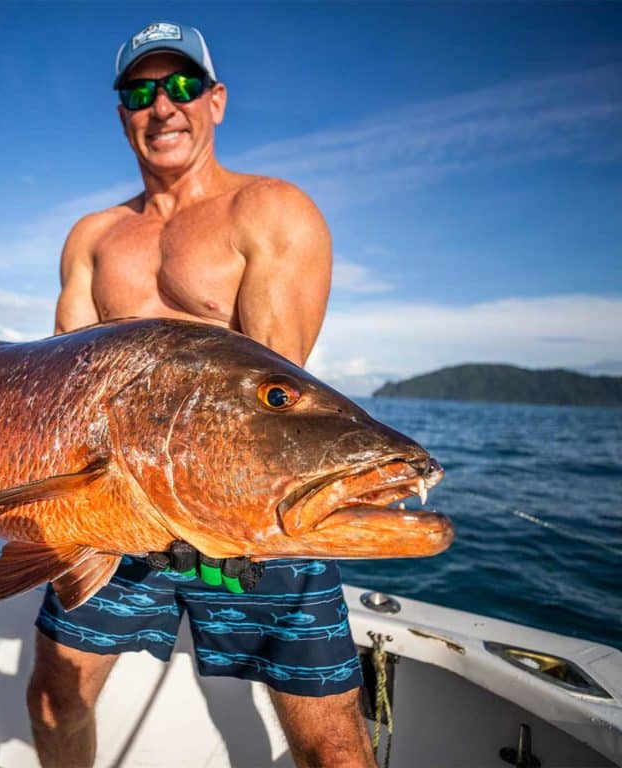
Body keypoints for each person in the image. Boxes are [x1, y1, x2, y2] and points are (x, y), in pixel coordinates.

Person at [26, 21, 375, 768]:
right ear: (122, 111)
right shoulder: (93, 236)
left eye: (182, 86)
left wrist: (213, 503)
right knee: (56, 695)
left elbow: (274, 394)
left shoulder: (269, 210)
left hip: (246, 516)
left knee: (331, 744)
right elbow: (64, 392)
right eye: (141, 91)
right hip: (115, 513)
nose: (164, 106)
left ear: (216, 101)